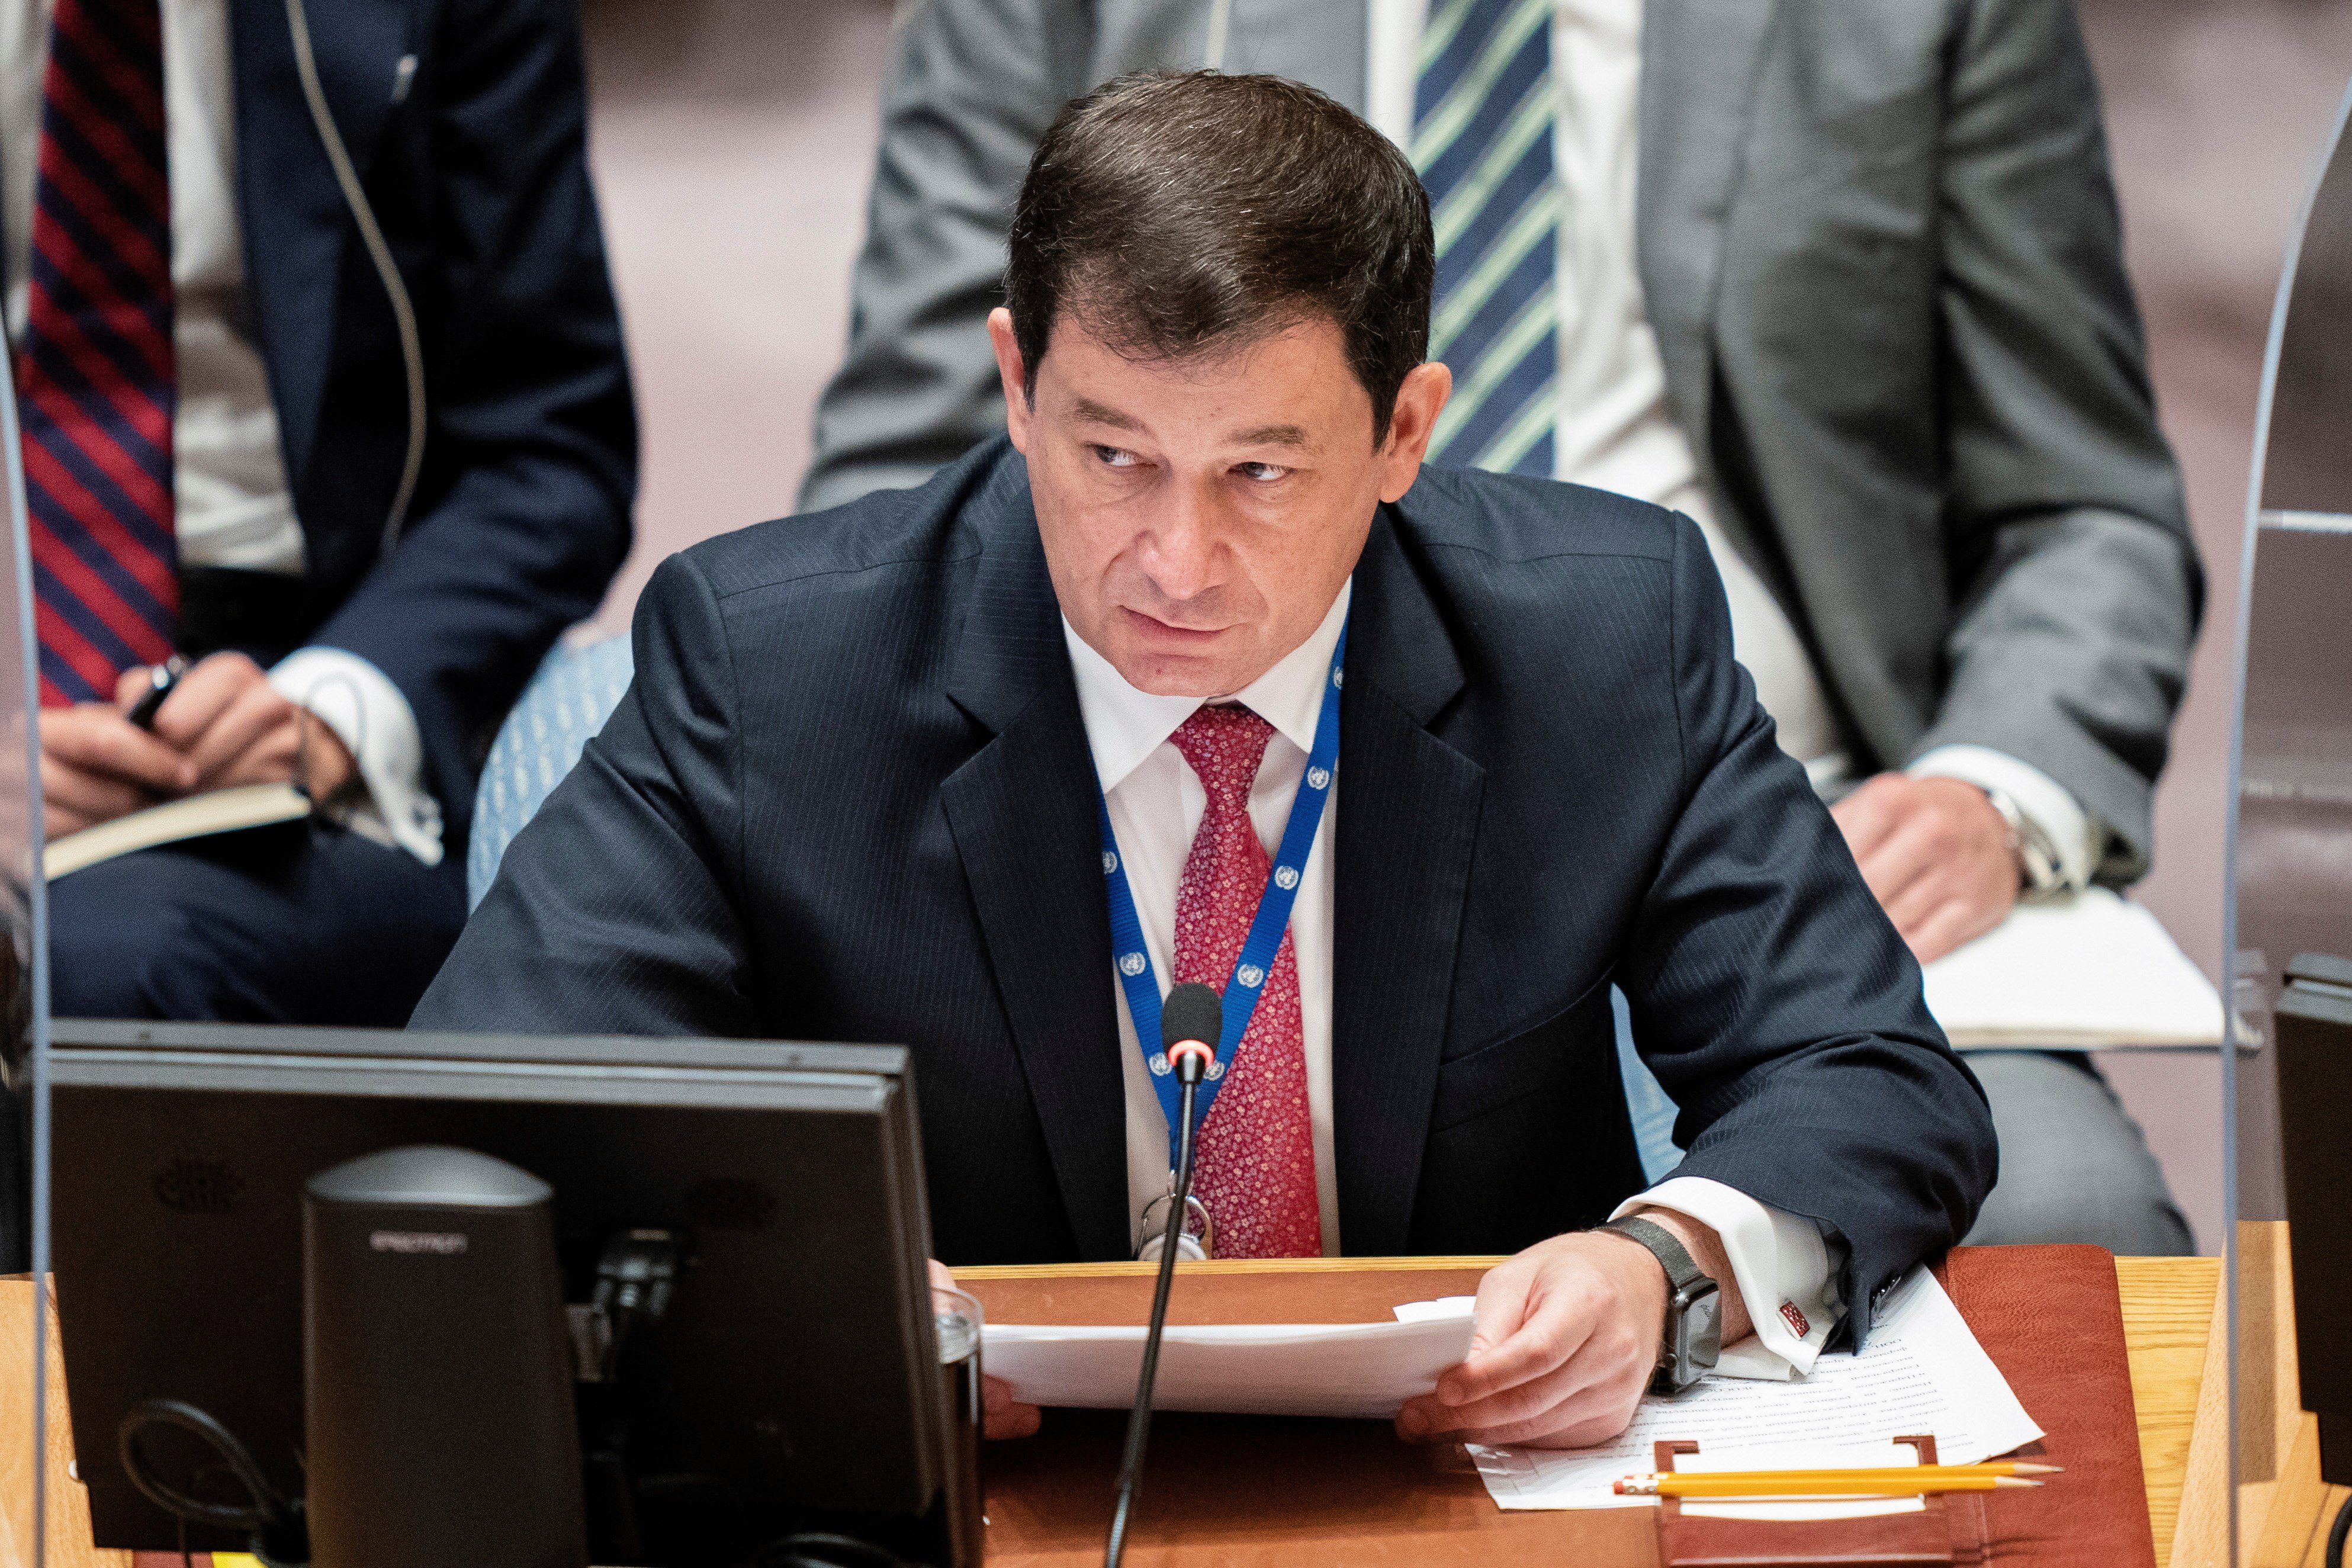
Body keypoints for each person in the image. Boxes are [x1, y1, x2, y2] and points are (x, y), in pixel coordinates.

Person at [419, 72, 1995, 1451]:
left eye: (1258, 470)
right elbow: (498, 1103)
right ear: (1015, 384)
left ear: (1402, 435)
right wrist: (798, 1299)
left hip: (1463, 1476)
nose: (1173, 563)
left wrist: (1657, 1272)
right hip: (986, 1487)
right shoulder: (773, 668)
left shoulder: (1599, 640)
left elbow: (1862, 1075)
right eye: (1113, 457)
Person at [799, 0, 2203, 1254]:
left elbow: (2085, 505)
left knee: (2064, 1225)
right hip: (1184, 771)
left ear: (1414, 424)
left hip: (1790, 813)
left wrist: (1994, 792)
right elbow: (902, 489)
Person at [9, 0, 636, 1024]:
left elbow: (550, 450)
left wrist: (332, 710)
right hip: (13, 656)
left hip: (298, 673)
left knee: (101, 965)